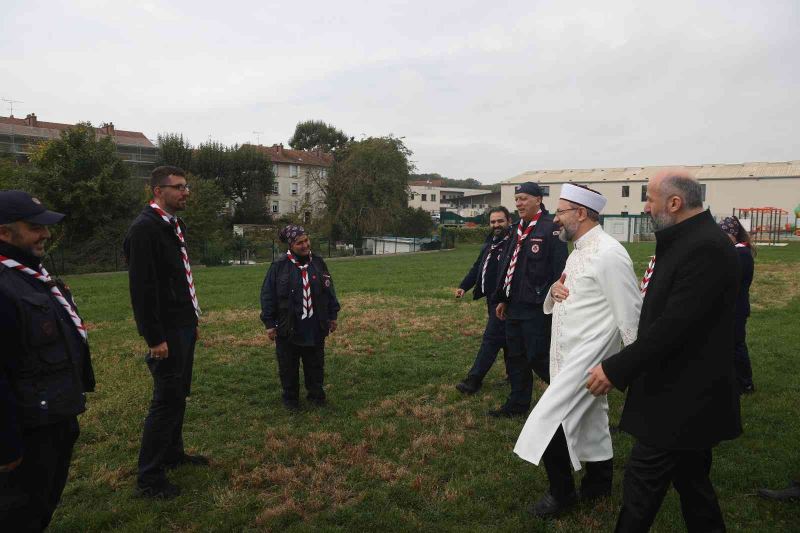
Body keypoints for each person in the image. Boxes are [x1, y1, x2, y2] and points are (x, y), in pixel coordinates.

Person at [586, 168, 742, 532]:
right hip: (680, 394)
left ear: (675, 202)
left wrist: (615, 368)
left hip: (682, 397)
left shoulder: (705, 248)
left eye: (650, 199)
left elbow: (674, 327)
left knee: (640, 489)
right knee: (693, 486)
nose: (645, 207)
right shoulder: (687, 241)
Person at [514, 184, 642, 517]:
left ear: (581, 213)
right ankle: (598, 486)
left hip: (589, 357)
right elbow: (570, 290)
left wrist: (630, 368)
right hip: (568, 352)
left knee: (547, 419)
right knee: (592, 423)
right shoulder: (577, 251)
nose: (556, 219)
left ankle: (561, 495)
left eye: (561, 212)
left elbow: (630, 314)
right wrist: (554, 290)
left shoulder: (610, 253)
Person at [0, 191, 95, 530]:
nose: (46, 234)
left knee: (41, 506)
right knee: (18, 514)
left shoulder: (31, 277)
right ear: (4, 233)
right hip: (27, 430)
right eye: (35, 227)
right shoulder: (5, 285)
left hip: (54, 415)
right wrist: (7, 446)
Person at [124, 166, 208, 500]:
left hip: (183, 324)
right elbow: (143, 290)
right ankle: (149, 477)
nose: (186, 192)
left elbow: (176, 280)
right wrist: (154, 338)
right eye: (179, 187)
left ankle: (173, 454)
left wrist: (192, 320)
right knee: (165, 400)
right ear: (158, 191)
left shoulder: (172, 225)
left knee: (178, 395)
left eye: (186, 186)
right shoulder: (145, 230)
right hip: (165, 332)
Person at [489, 182, 568, 418]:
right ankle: (517, 404)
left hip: (536, 308)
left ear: (538, 200)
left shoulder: (550, 228)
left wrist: (554, 304)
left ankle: (567, 397)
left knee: (538, 357)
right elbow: (508, 266)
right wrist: (503, 298)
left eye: (523, 198)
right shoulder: (517, 228)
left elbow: (559, 270)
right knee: (516, 357)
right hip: (514, 305)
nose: (519, 203)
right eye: (517, 199)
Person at [260, 225, 340, 410]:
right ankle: (291, 400)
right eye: (299, 243)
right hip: (289, 327)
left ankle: (316, 396)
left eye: (306, 240)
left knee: (315, 364)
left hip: (315, 325)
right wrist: (269, 324)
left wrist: (332, 315)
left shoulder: (318, 263)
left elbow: (329, 289)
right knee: (288, 367)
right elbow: (267, 295)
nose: (305, 245)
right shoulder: (279, 267)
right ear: (290, 245)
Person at [454, 206, 512, 394]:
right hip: (491, 299)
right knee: (507, 339)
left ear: (509, 221)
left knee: (491, 338)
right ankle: (515, 375)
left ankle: (474, 379)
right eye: (493, 222)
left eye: (500, 221)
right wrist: (464, 286)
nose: (496, 225)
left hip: (505, 300)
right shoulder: (490, 243)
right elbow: (478, 266)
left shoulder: (513, 244)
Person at [719, 216, 756, 394]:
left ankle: (745, 382)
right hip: (732, 306)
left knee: (736, 345)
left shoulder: (741, 253)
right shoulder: (737, 251)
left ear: (733, 235)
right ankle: (735, 379)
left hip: (736, 308)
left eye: (724, 234)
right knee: (731, 344)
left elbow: (730, 277)